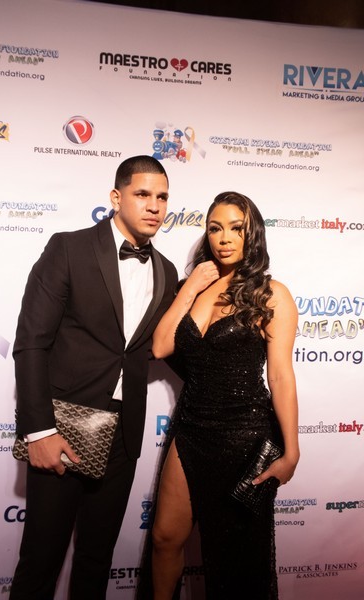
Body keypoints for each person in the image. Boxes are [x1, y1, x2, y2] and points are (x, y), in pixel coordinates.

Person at [9, 155, 178, 600]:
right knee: (40, 561)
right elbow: (31, 343)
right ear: (116, 197)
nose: (154, 206)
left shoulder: (166, 271)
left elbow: (160, 347)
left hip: (123, 436)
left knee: (96, 561)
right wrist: (39, 431)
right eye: (142, 194)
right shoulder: (69, 248)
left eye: (162, 197)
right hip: (62, 429)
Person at [150, 191, 299, 599]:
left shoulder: (271, 294)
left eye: (236, 228)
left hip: (244, 437)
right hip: (191, 429)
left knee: (237, 557)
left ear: (253, 234)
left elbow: (281, 376)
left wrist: (291, 451)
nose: (225, 238)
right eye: (215, 228)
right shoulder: (194, 288)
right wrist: (191, 287)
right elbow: (160, 347)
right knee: (165, 537)